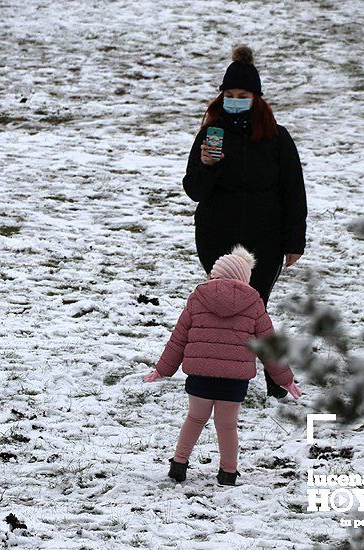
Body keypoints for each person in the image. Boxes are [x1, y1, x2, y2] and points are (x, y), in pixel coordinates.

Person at [182, 45, 307, 398]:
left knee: (256, 308)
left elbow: (293, 192)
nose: (236, 100)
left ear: (257, 98)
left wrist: (294, 241)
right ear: (222, 97)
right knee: (222, 309)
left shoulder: (277, 138)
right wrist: (208, 166)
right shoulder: (210, 135)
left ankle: (274, 380)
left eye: (244, 95)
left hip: (264, 240)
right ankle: (220, 374)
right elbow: (194, 190)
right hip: (216, 237)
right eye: (230, 95)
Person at [142, 247, 302, 486]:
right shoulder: (254, 302)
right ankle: (228, 472)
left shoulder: (198, 297)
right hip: (234, 380)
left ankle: (178, 464)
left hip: (200, 376)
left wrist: (162, 369)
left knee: (195, 419)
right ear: (244, 278)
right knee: (227, 425)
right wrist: (284, 379)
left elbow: (179, 338)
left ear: (215, 275)